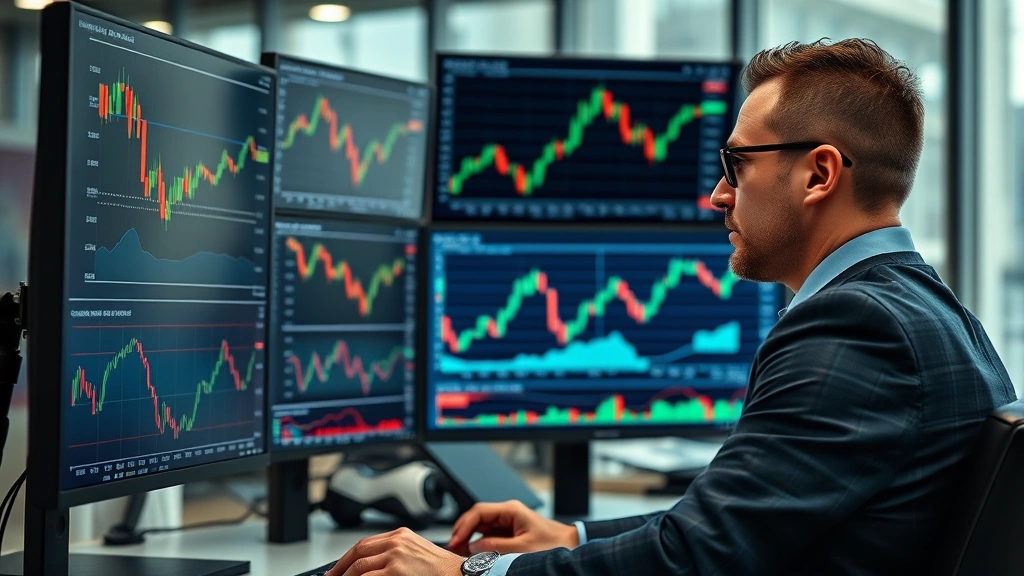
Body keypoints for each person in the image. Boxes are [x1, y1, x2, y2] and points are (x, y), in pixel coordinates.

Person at [325, 38, 1017, 576]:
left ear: (819, 173)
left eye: (737, 165)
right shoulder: (928, 310)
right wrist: (575, 537)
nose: (718, 196)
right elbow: (741, 519)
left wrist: (469, 568)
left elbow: (694, 559)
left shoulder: (854, 330)